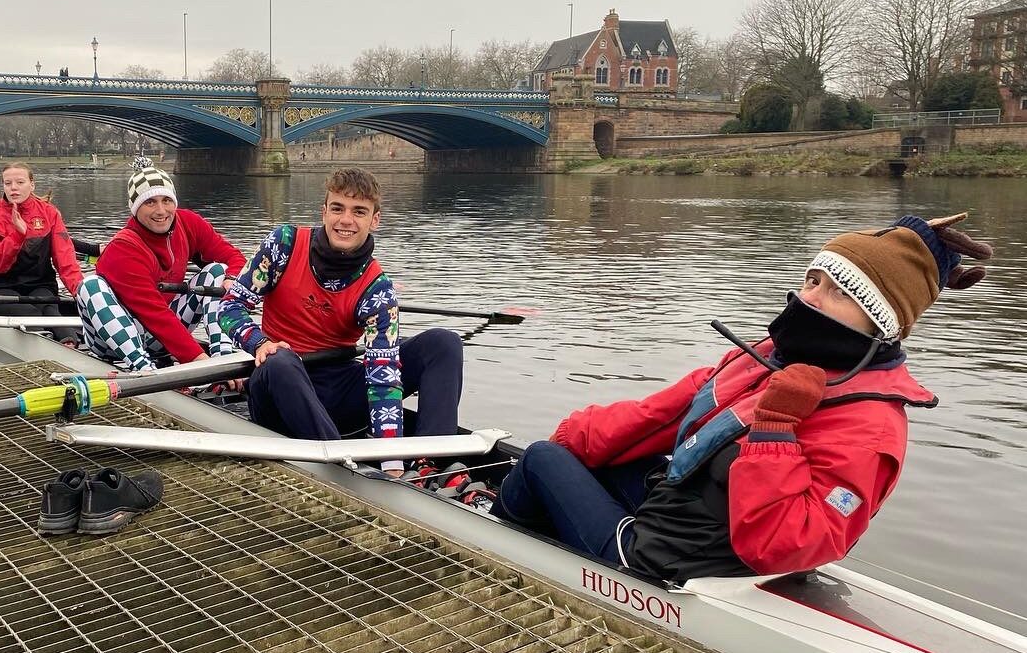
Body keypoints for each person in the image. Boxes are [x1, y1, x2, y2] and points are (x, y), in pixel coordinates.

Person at [490, 214, 994, 582]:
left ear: (880, 319)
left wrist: (775, 429)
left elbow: (784, 543)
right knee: (576, 454)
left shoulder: (872, 424)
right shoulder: (768, 357)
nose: (806, 298)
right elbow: (655, 418)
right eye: (810, 280)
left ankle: (498, 547)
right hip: (673, 521)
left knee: (538, 461)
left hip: (665, 563)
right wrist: (574, 436)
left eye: (837, 291)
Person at [218, 167, 463, 477]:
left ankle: (433, 463)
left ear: (375, 220)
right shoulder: (284, 244)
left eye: (358, 211)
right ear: (324, 212)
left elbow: (383, 377)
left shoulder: (378, 289)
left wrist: (392, 465)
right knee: (280, 360)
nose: (346, 220)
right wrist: (259, 343)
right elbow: (231, 307)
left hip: (339, 392)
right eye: (338, 208)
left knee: (443, 343)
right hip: (279, 388)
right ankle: (340, 467)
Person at [76, 159, 245, 371]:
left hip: (159, 335)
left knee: (217, 271)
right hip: (111, 339)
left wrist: (231, 279)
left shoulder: (188, 222)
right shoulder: (123, 248)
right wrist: (197, 360)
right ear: (135, 209)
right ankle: (144, 369)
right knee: (90, 285)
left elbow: (234, 256)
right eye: (150, 202)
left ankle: (224, 358)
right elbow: (154, 313)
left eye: (167, 200)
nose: (161, 211)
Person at [0, 162, 84, 341]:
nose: (13, 188)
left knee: (50, 310)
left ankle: (70, 342)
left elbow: (66, 261)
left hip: (39, 284)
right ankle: (46, 341)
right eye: (8, 183)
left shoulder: (50, 213)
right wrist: (18, 235)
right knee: (29, 311)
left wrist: (82, 293)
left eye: (20, 182)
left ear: (32, 185)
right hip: (0, 286)